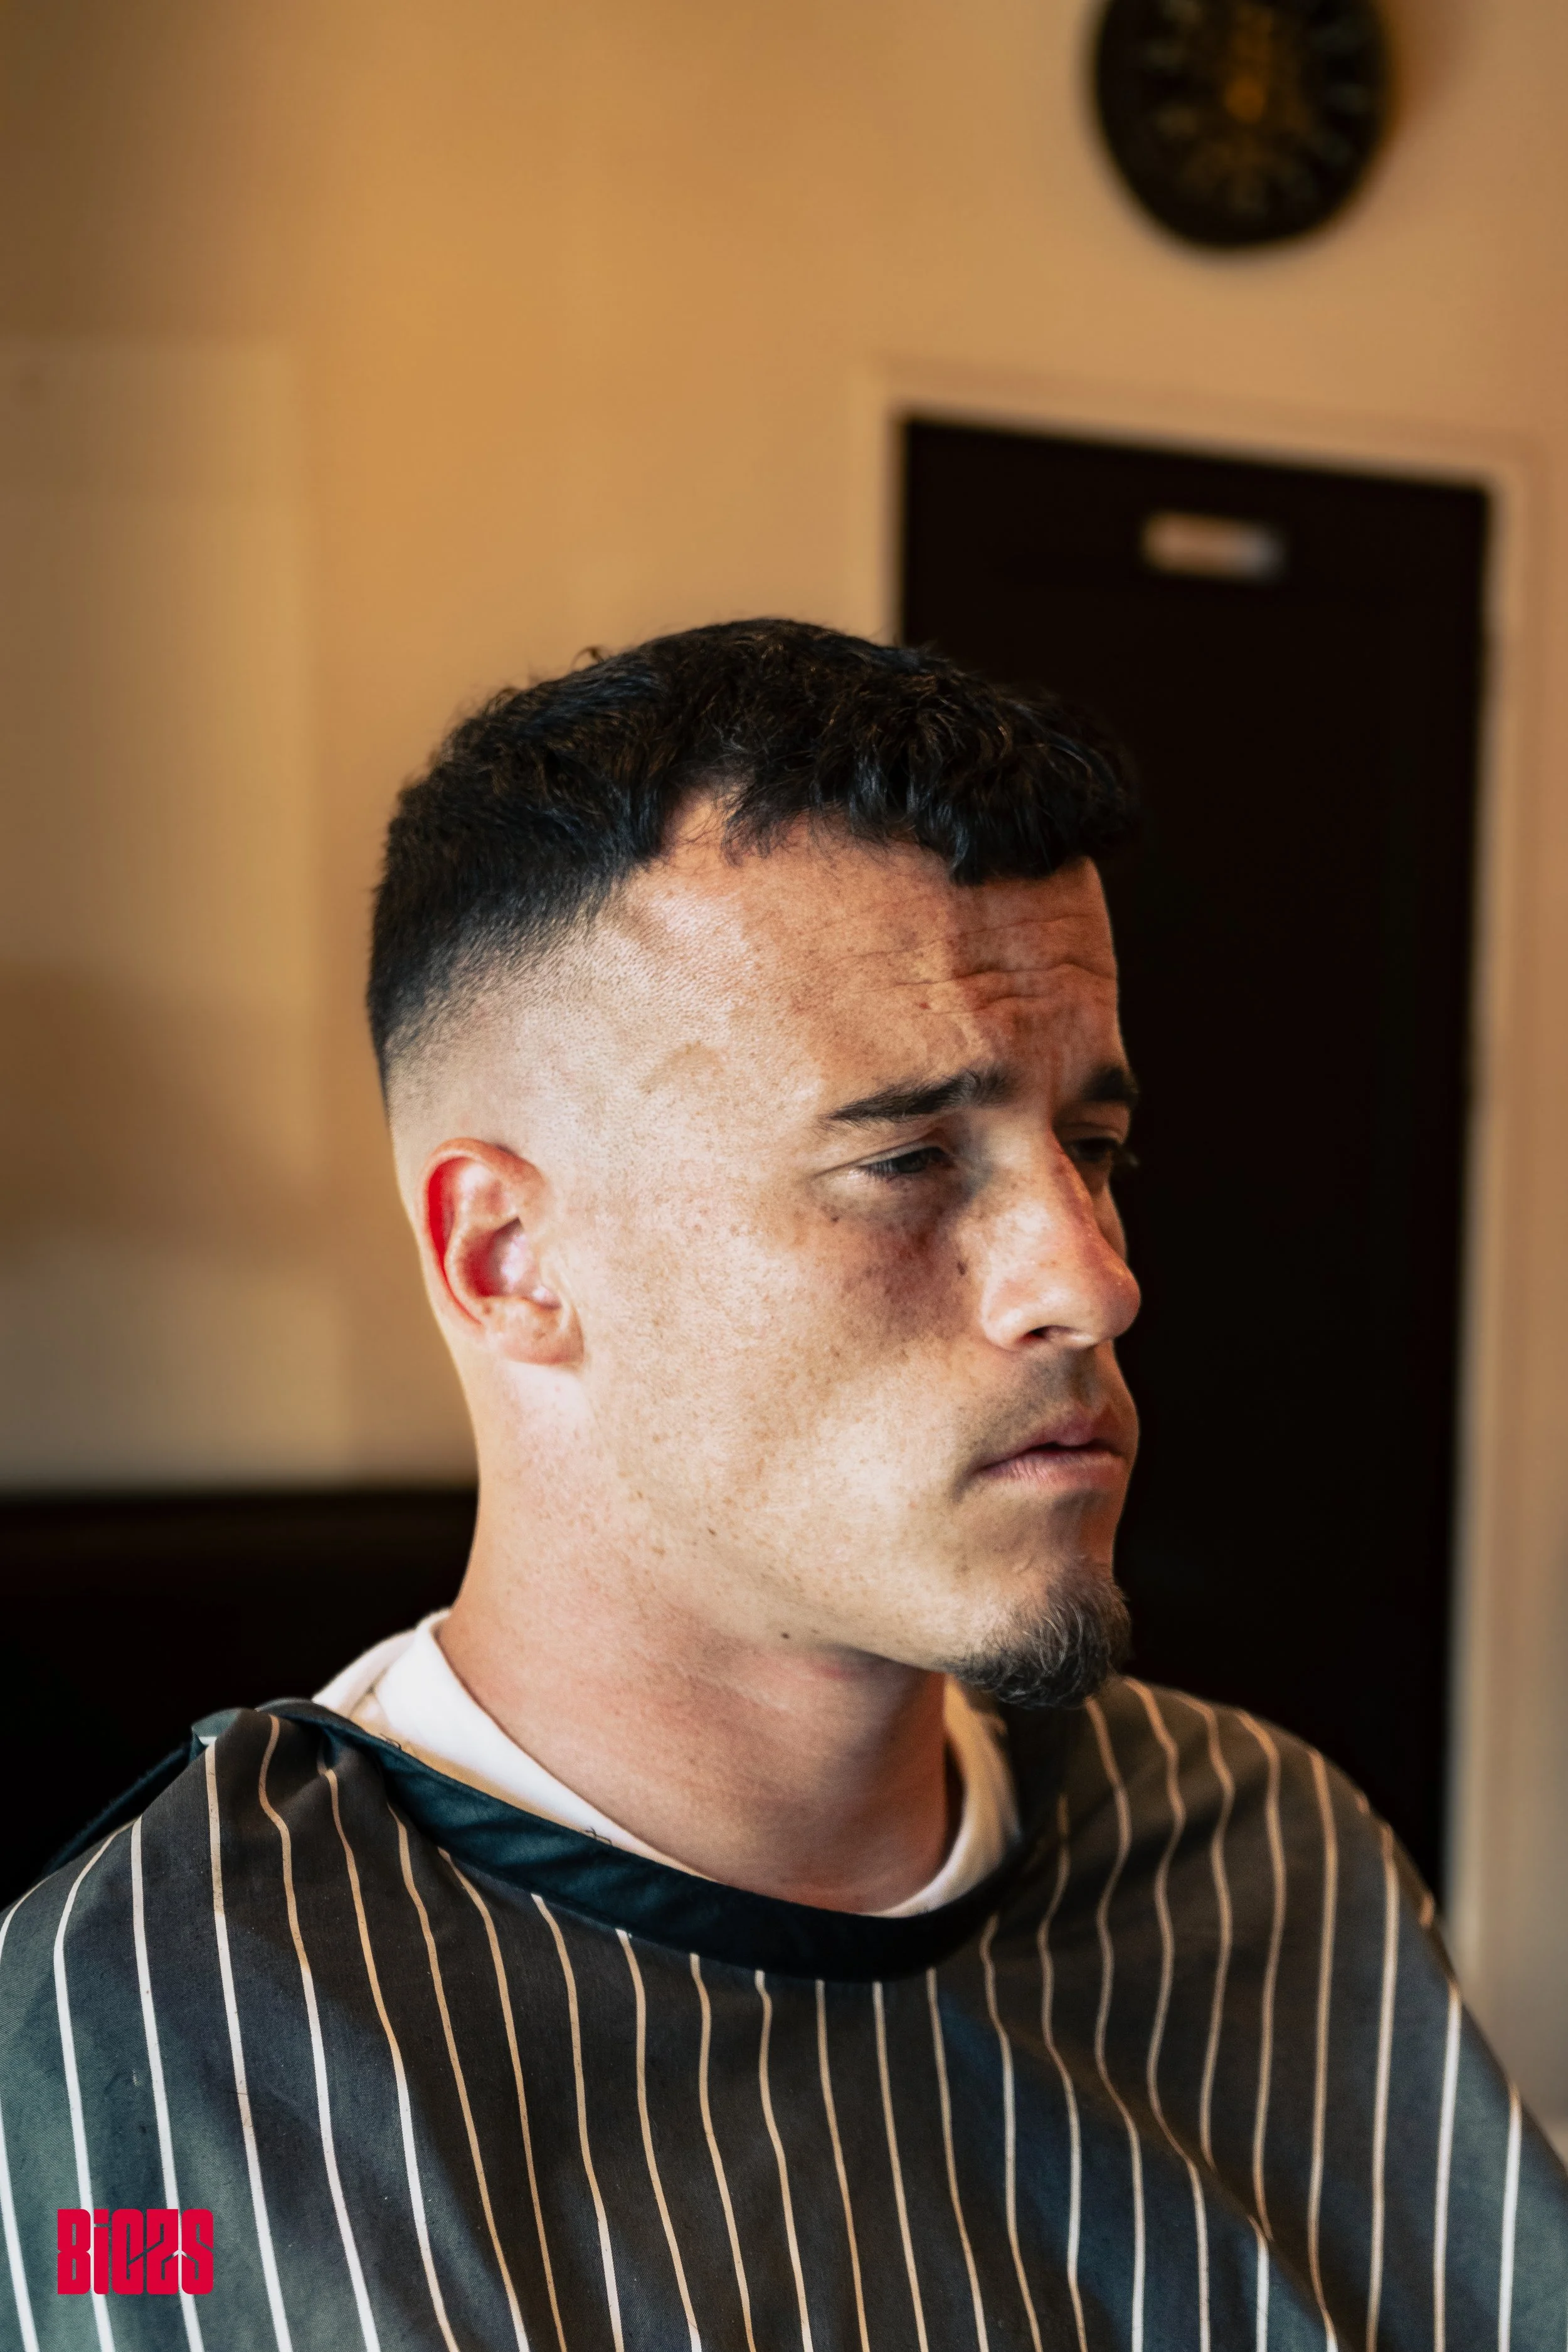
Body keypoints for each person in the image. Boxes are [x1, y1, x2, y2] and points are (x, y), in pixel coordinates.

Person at [2, 618, 1563, 2349]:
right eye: (903, 1160)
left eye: (1094, 1151)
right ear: (510, 1255)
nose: (1089, 1278)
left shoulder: (1263, 1851)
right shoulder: (180, 2009)